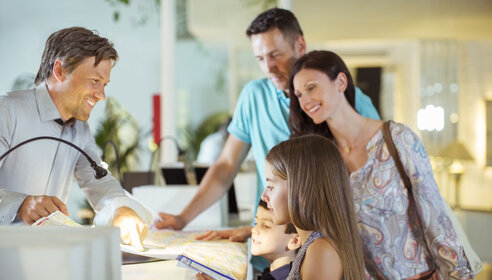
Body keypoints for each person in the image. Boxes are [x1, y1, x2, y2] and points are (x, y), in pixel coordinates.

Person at [288, 50, 484, 280]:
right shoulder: (322, 156)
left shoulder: (397, 139)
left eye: (311, 87)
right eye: (298, 95)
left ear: (341, 82)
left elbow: (434, 214)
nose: (305, 100)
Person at [155, 8, 380, 232]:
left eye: (275, 55)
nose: (269, 68)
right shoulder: (254, 96)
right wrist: (183, 218)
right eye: (260, 59)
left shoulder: (346, 100)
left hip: (325, 243)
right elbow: (225, 166)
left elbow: (369, 178)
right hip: (271, 246)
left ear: (300, 46)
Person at [190, 135, 366, 280]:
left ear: (302, 190)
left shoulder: (321, 251)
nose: (264, 196)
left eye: (271, 186)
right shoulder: (316, 247)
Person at [0, 27, 150, 250]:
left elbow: (98, 180)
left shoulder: (80, 129)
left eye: (104, 84)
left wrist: (121, 209)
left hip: (49, 256)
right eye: (94, 81)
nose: (101, 95)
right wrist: (19, 204)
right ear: (60, 71)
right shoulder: (7, 112)